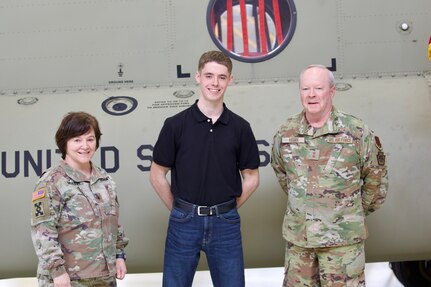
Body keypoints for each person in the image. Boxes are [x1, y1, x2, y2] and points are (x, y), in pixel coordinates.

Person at [149, 50, 260, 287]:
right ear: (198, 76)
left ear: (230, 80)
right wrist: (180, 211)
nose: (215, 83)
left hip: (225, 225)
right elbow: (157, 174)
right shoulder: (175, 125)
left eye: (222, 77)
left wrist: (227, 209)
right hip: (184, 222)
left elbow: (251, 177)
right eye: (209, 75)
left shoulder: (240, 127)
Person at [271, 65, 388, 287]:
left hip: (342, 246)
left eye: (318, 88)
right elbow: (283, 174)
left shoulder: (356, 132)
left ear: (332, 91)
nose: (311, 94)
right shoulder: (286, 132)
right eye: (305, 88)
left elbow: (376, 179)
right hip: (300, 245)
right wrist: (307, 205)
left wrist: (349, 213)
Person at [30, 112, 129, 287]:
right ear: (64, 143)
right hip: (67, 279)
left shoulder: (105, 180)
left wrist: (119, 256)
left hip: (104, 277)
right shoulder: (52, 182)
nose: (85, 146)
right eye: (77, 140)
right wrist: (58, 272)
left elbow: (113, 224)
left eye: (90, 139)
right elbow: (43, 232)